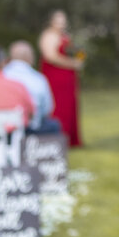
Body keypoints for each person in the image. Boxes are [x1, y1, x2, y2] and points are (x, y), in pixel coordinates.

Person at [39, 10, 83, 147]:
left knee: (68, 105)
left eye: (63, 21)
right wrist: (72, 63)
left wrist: (78, 57)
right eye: (58, 21)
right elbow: (50, 57)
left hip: (67, 77)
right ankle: (57, 136)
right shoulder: (48, 36)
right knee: (58, 104)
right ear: (51, 21)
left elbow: (73, 51)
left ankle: (70, 138)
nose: (61, 24)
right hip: (55, 76)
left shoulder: (65, 36)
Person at [3, 41, 60, 135]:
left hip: (4, 128)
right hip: (30, 128)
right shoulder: (38, 78)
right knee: (54, 125)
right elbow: (47, 109)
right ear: (30, 57)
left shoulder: (1, 75)